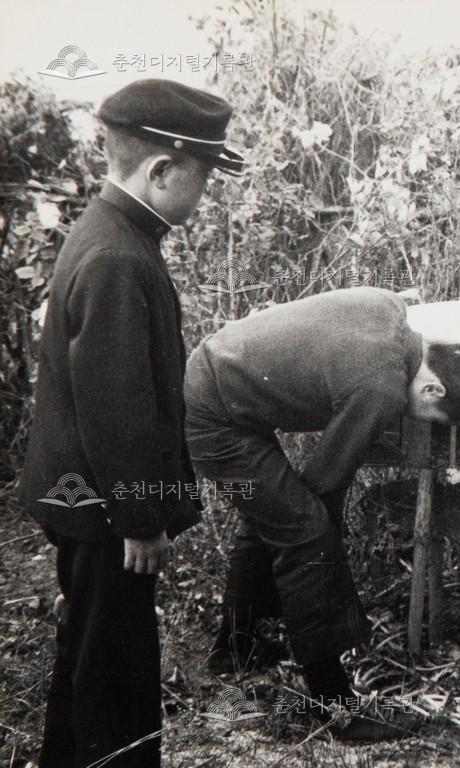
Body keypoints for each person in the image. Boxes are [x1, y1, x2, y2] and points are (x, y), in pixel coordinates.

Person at [18, 79, 245, 767]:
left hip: (85, 502)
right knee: (118, 685)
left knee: (88, 668)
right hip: (106, 513)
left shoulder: (110, 231)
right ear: (162, 169)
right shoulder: (119, 255)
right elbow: (118, 407)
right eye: (203, 177)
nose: (203, 197)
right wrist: (140, 519)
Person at [183, 286, 460, 741]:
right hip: (214, 416)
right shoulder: (381, 388)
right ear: (433, 387)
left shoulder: (391, 308)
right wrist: (326, 590)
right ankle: (335, 708)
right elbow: (323, 486)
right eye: (434, 416)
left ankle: (234, 650)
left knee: (280, 516)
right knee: (307, 531)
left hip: (215, 373)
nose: (423, 421)